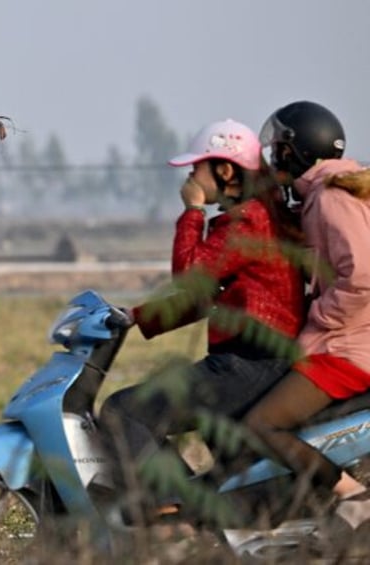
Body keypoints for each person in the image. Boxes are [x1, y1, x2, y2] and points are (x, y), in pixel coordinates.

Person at [99, 118, 306, 520]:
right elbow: (206, 295)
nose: (191, 177)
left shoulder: (249, 221)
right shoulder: (256, 216)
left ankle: (172, 515)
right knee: (231, 476)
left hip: (250, 364)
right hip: (253, 362)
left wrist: (192, 211)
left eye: (197, 168)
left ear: (225, 170)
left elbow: (191, 279)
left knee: (124, 412)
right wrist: (134, 317)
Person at [242, 100, 370, 529]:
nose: (275, 158)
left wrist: (322, 317)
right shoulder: (329, 193)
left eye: (279, 150)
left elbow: (363, 274)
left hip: (346, 350)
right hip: (348, 343)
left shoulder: (333, 199)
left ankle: (352, 498)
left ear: (298, 152)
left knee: (262, 425)